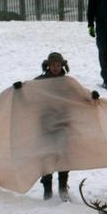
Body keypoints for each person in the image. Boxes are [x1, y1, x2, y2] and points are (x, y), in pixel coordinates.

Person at [33, 51, 71, 201]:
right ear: (48, 65)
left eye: (58, 64)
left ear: (62, 65)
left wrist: (92, 96)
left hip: (63, 124)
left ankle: (63, 187)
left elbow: (79, 95)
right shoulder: (40, 81)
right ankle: (47, 189)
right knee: (46, 156)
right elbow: (27, 93)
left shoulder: (67, 82)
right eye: (52, 64)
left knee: (63, 156)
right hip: (45, 125)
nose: (55, 67)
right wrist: (18, 88)